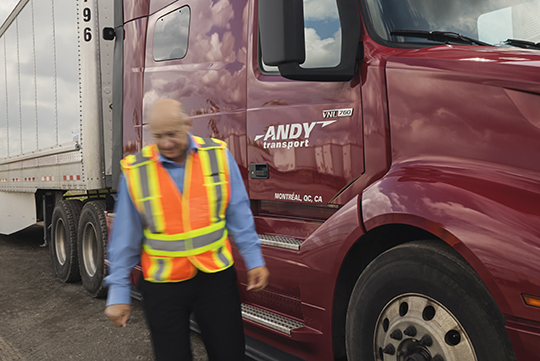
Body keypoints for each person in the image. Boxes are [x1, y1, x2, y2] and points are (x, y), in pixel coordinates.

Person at [104, 99, 270, 361]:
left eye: (172, 134)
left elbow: (238, 212)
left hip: (215, 278)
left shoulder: (216, 155)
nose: (167, 143)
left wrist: (254, 259)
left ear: (187, 125)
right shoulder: (137, 170)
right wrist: (118, 292)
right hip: (163, 286)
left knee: (230, 354)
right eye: (159, 136)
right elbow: (125, 239)